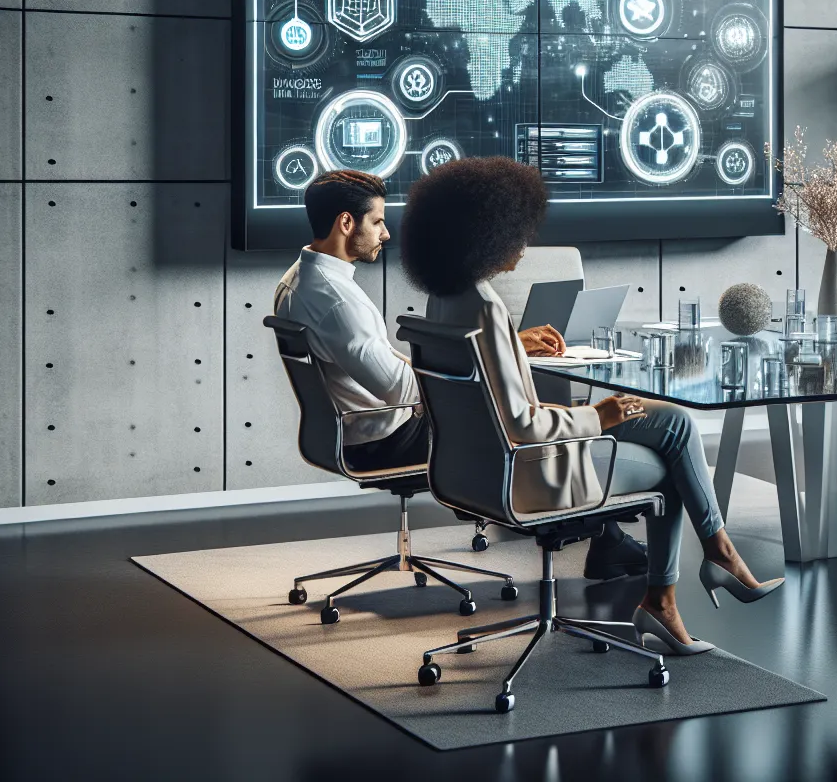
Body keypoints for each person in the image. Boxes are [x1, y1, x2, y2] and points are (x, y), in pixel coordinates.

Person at [402, 157, 782, 655]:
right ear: (486, 233)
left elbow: (488, 397)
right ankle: (682, 585)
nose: (524, 244)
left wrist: (516, 345)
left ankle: (712, 559)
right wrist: (599, 416)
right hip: (531, 471)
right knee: (670, 459)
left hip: (473, 470)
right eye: (518, 231)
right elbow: (522, 425)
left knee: (671, 421)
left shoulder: (449, 297)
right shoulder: (487, 308)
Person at [273, 170, 655, 585]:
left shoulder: (298, 279)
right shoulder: (336, 301)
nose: (385, 234)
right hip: (387, 438)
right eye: (378, 221)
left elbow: (388, 367)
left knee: (523, 406)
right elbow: (403, 388)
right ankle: (584, 523)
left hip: (353, 432)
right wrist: (492, 359)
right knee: (517, 421)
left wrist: (503, 348)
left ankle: (604, 536)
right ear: (346, 223)